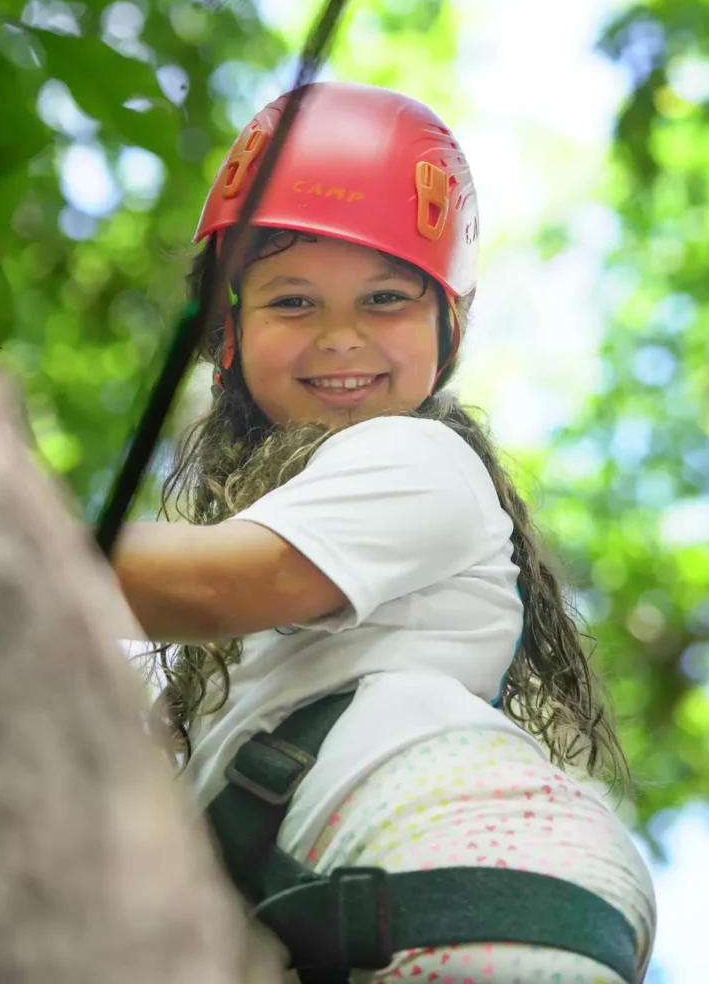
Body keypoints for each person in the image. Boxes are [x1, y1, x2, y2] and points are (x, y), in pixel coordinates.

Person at [115, 81, 656, 983]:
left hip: (461, 863)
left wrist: (2, 535)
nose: (339, 336)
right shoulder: (225, 665)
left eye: (384, 299)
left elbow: (213, 583)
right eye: (293, 302)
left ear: (448, 326)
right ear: (230, 331)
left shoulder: (418, 457)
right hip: (397, 906)